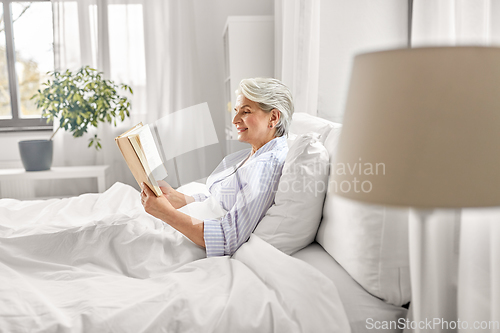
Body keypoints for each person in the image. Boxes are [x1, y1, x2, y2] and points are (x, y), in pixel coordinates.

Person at [140, 78, 294, 257]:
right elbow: (221, 200)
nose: (235, 120)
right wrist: (178, 198)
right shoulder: (254, 154)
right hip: (188, 223)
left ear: (273, 118)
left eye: (245, 112)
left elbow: (228, 238)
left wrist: (166, 213)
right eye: (236, 111)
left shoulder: (266, 166)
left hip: (192, 241)